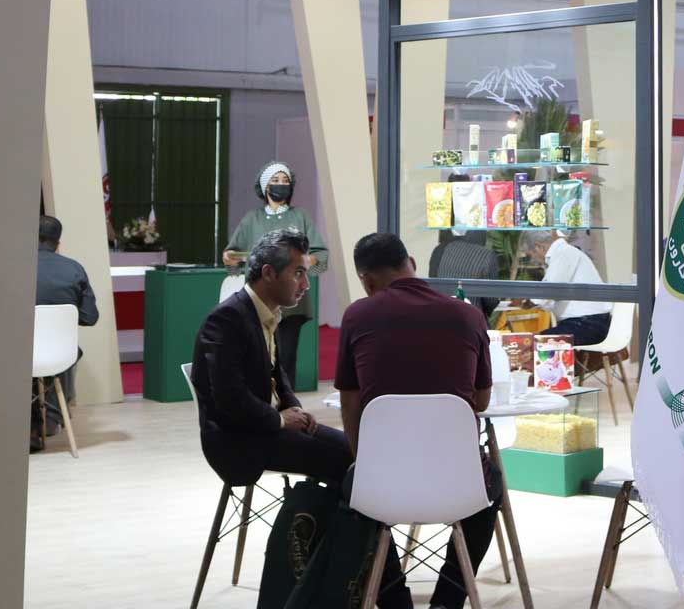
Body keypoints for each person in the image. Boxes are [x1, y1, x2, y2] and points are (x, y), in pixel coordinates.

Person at [336, 232, 498, 609]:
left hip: (382, 480)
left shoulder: (358, 316)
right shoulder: (468, 315)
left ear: (366, 280)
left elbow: (350, 403)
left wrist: (364, 462)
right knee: (492, 488)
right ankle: (447, 601)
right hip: (458, 480)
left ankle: (394, 601)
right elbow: (482, 399)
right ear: (411, 263)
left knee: (352, 496)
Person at [191, 228, 352, 488]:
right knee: (341, 459)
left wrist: (296, 410)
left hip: (266, 428)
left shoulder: (266, 312)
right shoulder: (226, 320)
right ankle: (323, 514)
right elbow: (229, 398)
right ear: (268, 273)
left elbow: (277, 376)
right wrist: (281, 419)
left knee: (354, 449)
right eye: (298, 273)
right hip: (237, 443)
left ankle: (326, 514)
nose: (306, 285)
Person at [223, 161, 328, 385]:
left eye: (285, 181)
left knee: (286, 357)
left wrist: (310, 260)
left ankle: (287, 401)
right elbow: (233, 256)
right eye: (275, 180)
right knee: (258, 356)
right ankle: (260, 400)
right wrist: (230, 259)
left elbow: (320, 254)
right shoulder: (252, 219)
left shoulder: (300, 216)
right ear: (265, 187)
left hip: (293, 301)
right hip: (259, 298)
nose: (281, 184)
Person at [32, 215, 100, 453]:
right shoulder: (74, 269)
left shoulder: (14, 266)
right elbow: (90, 317)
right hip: (59, 355)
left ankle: (30, 424)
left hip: (21, 357)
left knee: (24, 351)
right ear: (58, 243)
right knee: (67, 349)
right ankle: (53, 416)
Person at [429, 176, 500, 317]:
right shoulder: (485, 256)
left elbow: (433, 291)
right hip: (473, 321)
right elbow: (490, 301)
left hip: (442, 320)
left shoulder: (439, 251)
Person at [525, 233, 612, 346]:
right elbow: (553, 296)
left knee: (531, 344)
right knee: (532, 341)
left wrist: (527, 302)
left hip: (587, 323)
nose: (531, 260)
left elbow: (550, 289)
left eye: (529, 256)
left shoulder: (564, 253)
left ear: (539, 247)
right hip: (584, 322)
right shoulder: (564, 253)